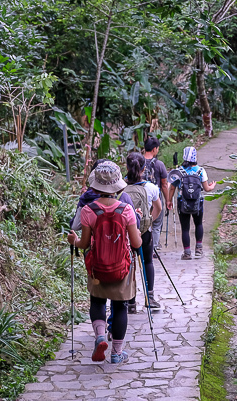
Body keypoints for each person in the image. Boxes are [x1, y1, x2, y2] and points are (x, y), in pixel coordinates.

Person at [67, 161, 142, 364]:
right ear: (116, 185)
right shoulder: (126, 209)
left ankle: (100, 335)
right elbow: (136, 242)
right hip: (122, 268)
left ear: (95, 185)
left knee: (97, 301)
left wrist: (74, 240)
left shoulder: (88, 210)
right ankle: (117, 354)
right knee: (120, 307)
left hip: (97, 268)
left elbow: (83, 244)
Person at [124, 151, 163, 313]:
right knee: (147, 261)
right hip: (144, 231)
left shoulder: (120, 187)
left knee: (129, 264)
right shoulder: (151, 188)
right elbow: (158, 208)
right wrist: (148, 222)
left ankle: (130, 301)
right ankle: (150, 297)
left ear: (126, 167)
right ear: (143, 169)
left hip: (125, 232)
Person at [166, 146, 216, 260]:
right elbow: (206, 188)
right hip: (197, 202)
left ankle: (187, 253)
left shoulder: (179, 171)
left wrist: (169, 200)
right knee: (198, 224)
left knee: (185, 228)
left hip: (182, 202)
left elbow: (172, 188)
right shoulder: (200, 170)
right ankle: (198, 249)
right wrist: (212, 186)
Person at [143, 136, 170, 250]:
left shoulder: (137, 162)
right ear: (154, 149)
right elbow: (164, 184)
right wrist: (167, 200)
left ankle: (143, 246)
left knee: (142, 222)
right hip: (155, 199)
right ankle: (154, 247)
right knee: (157, 224)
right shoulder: (159, 165)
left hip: (141, 198)